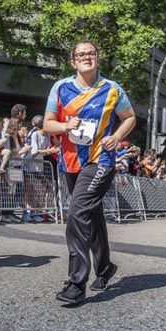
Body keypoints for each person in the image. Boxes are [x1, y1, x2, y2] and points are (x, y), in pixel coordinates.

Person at [43, 40, 135, 306]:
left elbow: (129, 117)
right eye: (81, 54)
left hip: (101, 160)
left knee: (77, 212)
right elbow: (48, 124)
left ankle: (76, 282)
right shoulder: (60, 87)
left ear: (97, 58)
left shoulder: (112, 89)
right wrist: (65, 125)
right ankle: (104, 267)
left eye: (91, 53)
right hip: (70, 161)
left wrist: (116, 137)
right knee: (91, 215)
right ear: (73, 61)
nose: (86, 57)